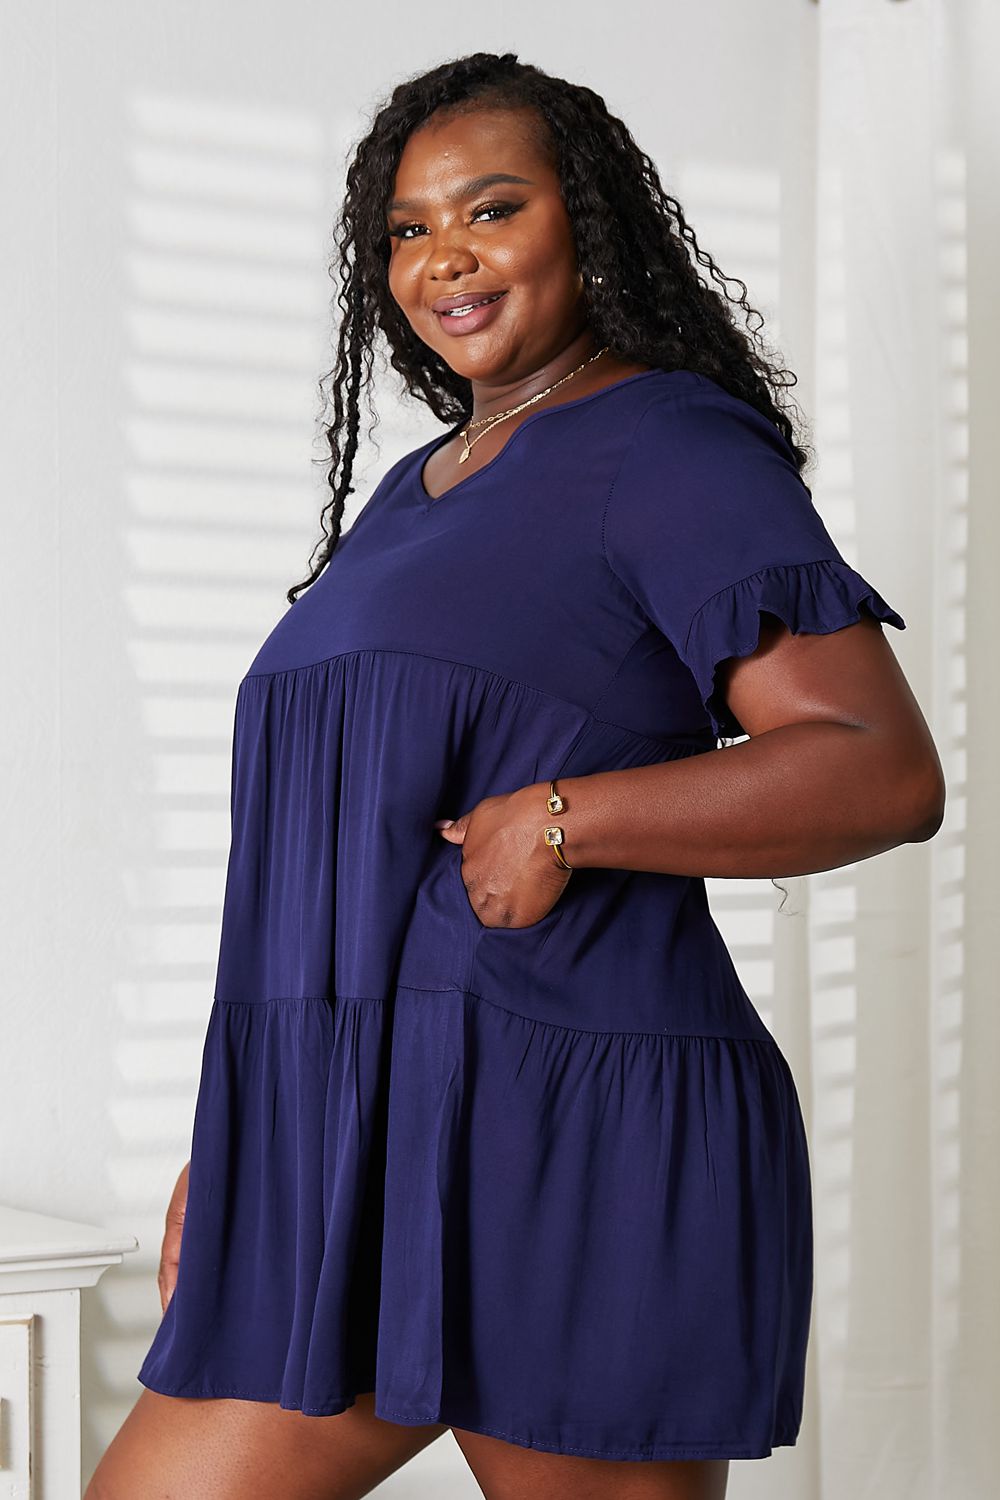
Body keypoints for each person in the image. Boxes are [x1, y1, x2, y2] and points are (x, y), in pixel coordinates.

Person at [86, 50, 944, 1500]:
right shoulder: (409, 496)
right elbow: (334, 870)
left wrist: (570, 816)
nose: (445, 259)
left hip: (569, 1136)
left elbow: (881, 767)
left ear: (584, 221)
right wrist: (250, 1149)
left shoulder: (668, 447)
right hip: (350, 1148)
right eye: (408, 230)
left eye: (491, 208)